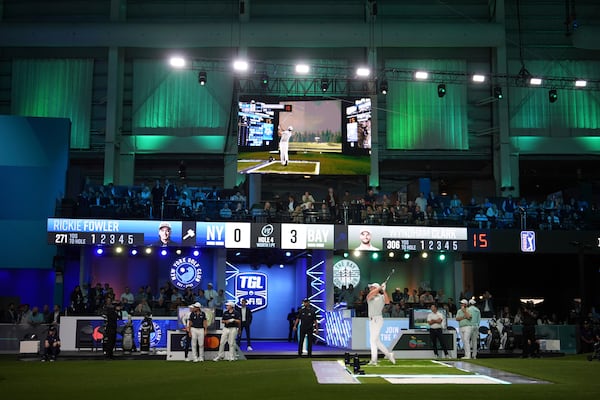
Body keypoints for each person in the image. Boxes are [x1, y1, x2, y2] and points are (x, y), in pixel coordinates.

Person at [366, 282, 396, 366]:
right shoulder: (370, 296)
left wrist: (384, 290)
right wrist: (380, 288)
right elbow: (370, 295)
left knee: (372, 340)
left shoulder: (381, 297)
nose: (370, 289)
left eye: (371, 287)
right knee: (377, 341)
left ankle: (374, 360)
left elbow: (387, 301)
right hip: (371, 320)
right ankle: (389, 355)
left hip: (378, 319)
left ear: (375, 288)